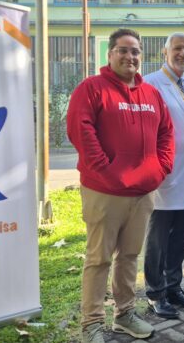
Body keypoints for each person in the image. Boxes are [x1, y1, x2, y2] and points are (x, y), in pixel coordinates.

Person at [67, 28, 174, 342]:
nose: (130, 57)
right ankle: (91, 324)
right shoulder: (92, 89)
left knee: (129, 257)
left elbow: (166, 135)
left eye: (136, 51)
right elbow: (81, 131)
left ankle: (125, 314)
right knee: (99, 258)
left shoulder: (151, 94)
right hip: (104, 191)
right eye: (123, 50)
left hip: (142, 192)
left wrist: (160, 168)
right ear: (110, 54)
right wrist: (106, 171)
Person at [142, 32, 184, 319]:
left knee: (181, 237)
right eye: (178, 48)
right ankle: (156, 293)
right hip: (163, 178)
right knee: (158, 240)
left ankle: (174, 286)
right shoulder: (150, 84)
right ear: (164, 52)